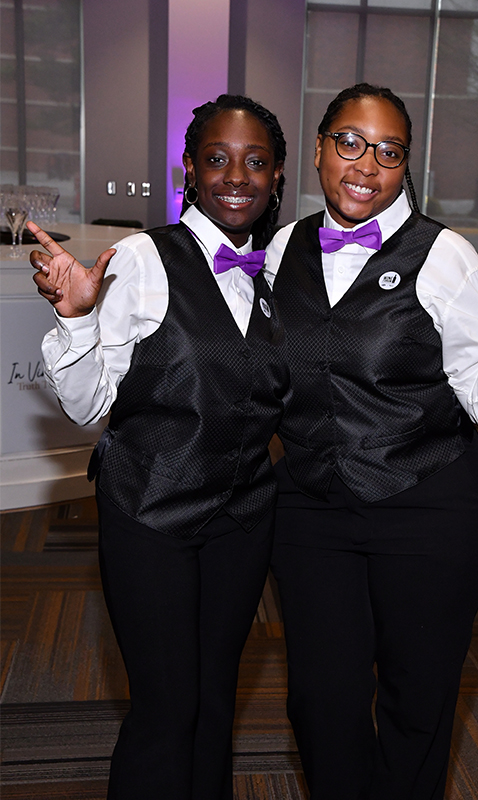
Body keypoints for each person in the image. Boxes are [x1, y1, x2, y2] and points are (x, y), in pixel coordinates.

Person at [264, 83, 478, 800]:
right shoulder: (284, 247)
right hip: (313, 508)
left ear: (405, 165)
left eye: (389, 151)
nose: (366, 164)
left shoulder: (444, 257)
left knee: (415, 701)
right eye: (349, 142)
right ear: (318, 148)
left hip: (429, 508)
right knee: (319, 699)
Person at [28, 94, 289, 800]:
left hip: (241, 521)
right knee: (165, 709)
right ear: (190, 172)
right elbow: (87, 409)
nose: (237, 176)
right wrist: (77, 319)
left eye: (255, 161)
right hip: (152, 515)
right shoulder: (143, 258)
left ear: (276, 176)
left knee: (212, 701)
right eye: (218, 159)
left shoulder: (271, 274)